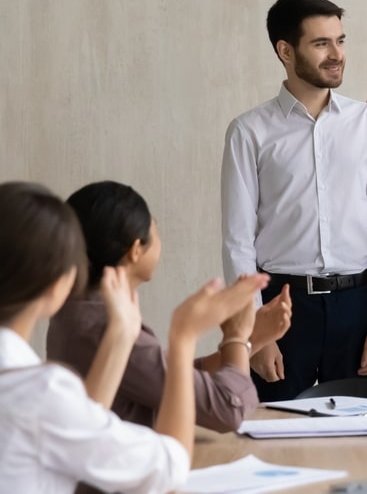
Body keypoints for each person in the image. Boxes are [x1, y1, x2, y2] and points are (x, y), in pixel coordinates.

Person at [0, 181, 268, 493]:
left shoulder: (43, 381)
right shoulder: (43, 392)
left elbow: (86, 421)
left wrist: (121, 337)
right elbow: (170, 466)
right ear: (56, 283)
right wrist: (186, 335)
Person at [222, 0, 367, 401]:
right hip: (282, 310)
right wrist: (256, 328)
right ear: (285, 51)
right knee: (277, 437)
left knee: (358, 443)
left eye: (340, 40)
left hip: (356, 307)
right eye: (321, 44)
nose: (336, 54)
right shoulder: (249, 132)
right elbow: (237, 241)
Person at [47, 181, 291, 432]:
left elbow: (164, 375)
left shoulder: (77, 311)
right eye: (157, 230)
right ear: (135, 250)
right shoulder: (106, 327)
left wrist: (251, 341)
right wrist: (236, 337)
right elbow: (229, 410)